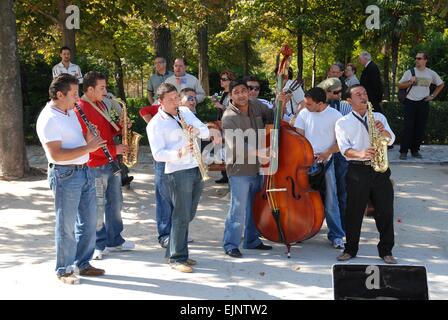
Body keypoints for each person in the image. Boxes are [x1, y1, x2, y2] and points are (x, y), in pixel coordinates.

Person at [36, 74, 106, 284]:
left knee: (89, 221)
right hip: (65, 174)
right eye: (74, 94)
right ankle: (64, 269)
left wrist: (89, 138)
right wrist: (88, 147)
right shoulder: (48, 118)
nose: (78, 98)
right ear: (59, 94)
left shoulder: (70, 111)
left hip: (85, 170)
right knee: (66, 225)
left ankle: (83, 263)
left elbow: (77, 139)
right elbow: (56, 154)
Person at [147, 83, 220, 273]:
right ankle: (177, 258)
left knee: (188, 214)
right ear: (160, 101)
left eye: (176, 98)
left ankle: (174, 252)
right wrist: (178, 152)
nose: (175, 102)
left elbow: (204, 131)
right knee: (181, 215)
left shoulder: (184, 112)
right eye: (170, 99)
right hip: (177, 171)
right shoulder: (155, 124)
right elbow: (158, 154)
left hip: (196, 166)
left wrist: (195, 130)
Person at [75, 71, 135, 260]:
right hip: (95, 164)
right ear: (90, 89)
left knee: (115, 204)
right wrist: (114, 148)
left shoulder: (100, 103)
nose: (106, 91)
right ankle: (97, 245)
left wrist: (120, 126)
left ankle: (115, 240)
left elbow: (105, 130)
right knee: (98, 206)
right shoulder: (80, 109)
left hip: (110, 162)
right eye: (102, 88)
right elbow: (88, 145)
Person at [335, 84, 397, 264]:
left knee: (385, 211)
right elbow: (344, 149)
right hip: (357, 170)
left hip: (380, 170)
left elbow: (390, 139)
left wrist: (382, 131)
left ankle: (386, 251)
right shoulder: (342, 122)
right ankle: (350, 249)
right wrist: (361, 153)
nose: (363, 96)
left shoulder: (379, 117)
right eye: (358, 94)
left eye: (365, 92)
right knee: (353, 212)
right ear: (349, 101)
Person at [221, 79, 274, 258]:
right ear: (231, 96)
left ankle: (251, 240)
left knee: (254, 206)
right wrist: (261, 152)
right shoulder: (228, 117)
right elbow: (236, 145)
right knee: (238, 208)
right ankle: (230, 244)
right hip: (239, 169)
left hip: (258, 167)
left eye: (244, 90)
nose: (241, 95)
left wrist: (281, 101)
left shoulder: (256, 105)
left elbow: (272, 113)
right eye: (236, 92)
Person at [294, 87, 345, 249]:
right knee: (301, 200)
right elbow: (298, 137)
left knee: (331, 201)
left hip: (326, 162)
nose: (306, 106)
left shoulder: (336, 116)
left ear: (321, 103)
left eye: (309, 104)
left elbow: (342, 143)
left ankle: (336, 235)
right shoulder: (303, 113)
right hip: (305, 163)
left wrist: (326, 153)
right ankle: (300, 231)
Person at [317, 78, 352, 227]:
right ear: (326, 93)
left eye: (340, 92)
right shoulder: (315, 109)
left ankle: (343, 224)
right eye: (336, 92)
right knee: (321, 189)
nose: (339, 95)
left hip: (340, 152)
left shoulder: (344, 107)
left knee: (341, 188)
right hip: (324, 153)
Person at [398, 52, 445, 160]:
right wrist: (410, 82)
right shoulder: (410, 72)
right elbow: (400, 85)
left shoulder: (431, 73)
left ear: (425, 60)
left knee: (420, 128)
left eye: (419, 58)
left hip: (423, 102)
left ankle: (415, 150)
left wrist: (432, 96)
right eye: (416, 58)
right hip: (410, 102)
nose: (417, 60)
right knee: (408, 127)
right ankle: (403, 151)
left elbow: (441, 84)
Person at [102, 92, 134, 189]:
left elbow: (120, 112)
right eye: (102, 86)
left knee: (121, 151)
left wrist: (125, 121)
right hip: (99, 131)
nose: (104, 90)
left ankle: (124, 178)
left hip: (110, 128)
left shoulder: (110, 96)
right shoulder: (87, 99)